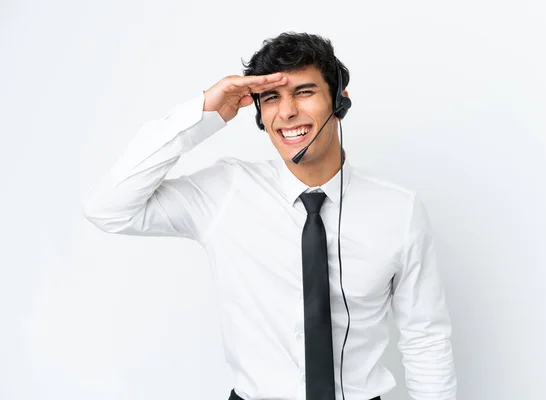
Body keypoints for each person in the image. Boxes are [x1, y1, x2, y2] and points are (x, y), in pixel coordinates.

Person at [83, 32, 457, 400]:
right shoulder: (224, 190)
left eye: (304, 91)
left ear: (340, 102)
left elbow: (425, 339)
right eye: (272, 97)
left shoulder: (399, 210)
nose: (287, 110)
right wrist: (205, 112)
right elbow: (107, 209)